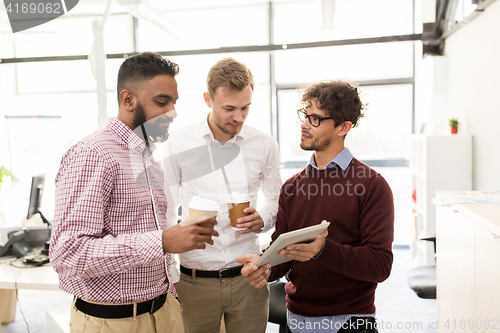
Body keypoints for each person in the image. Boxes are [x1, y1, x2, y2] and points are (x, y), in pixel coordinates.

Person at [49, 52, 218, 333]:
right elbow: (68, 254)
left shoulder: (149, 161)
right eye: (162, 102)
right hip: (113, 322)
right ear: (128, 100)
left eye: (173, 103)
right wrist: (162, 241)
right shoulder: (93, 155)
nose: (173, 113)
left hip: (164, 312)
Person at [238, 80, 394, 333]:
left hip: (350, 322)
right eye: (305, 115)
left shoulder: (372, 185)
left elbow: (380, 265)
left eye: (316, 119)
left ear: (344, 127)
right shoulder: (291, 187)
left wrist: (322, 250)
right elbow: (284, 251)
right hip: (295, 321)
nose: (304, 124)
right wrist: (265, 266)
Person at [163, 58, 282, 333]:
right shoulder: (178, 143)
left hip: (248, 278)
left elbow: (277, 201)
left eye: (245, 108)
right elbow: (166, 211)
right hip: (194, 281)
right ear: (208, 99)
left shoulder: (264, 145)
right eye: (229, 108)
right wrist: (171, 275)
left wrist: (262, 218)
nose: (238, 117)